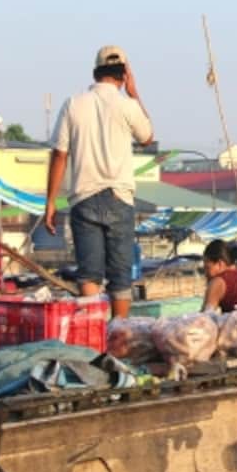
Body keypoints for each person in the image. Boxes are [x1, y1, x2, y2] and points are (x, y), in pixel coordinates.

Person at [45, 46, 153, 318]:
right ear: (123, 74)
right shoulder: (127, 105)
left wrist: (50, 203)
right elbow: (147, 137)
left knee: (90, 275)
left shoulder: (74, 103)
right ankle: (119, 337)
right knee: (120, 277)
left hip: (84, 197)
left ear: (96, 72)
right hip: (119, 197)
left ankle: (94, 335)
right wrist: (135, 93)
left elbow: (59, 154)